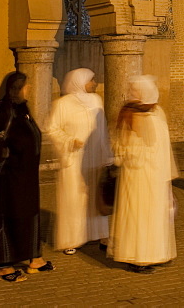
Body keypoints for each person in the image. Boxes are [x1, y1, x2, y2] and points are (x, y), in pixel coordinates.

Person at [0, 71, 52, 282]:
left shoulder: (21, 109)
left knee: (28, 214)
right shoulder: (2, 110)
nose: (27, 89)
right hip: (8, 178)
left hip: (25, 176)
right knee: (7, 217)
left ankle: (34, 259)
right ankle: (4, 267)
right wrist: (8, 155)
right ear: (13, 89)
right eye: (24, 86)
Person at [109, 75, 177, 274]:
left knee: (154, 216)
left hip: (154, 176)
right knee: (138, 216)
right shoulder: (132, 114)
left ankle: (153, 255)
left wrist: (165, 176)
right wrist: (134, 153)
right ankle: (138, 258)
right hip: (138, 176)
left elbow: (163, 146)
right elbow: (123, 146)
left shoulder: (156, 113)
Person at [45, 68, 112, 255]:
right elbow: (52, 129)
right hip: (74, 159)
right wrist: (69, 141)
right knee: (74, 198)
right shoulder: (63, 104)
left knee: (95, 197)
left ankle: (98, 233)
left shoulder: (96, 101)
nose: (94, 83)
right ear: (79, 82)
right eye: (91, 80)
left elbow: (102, 130)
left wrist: (106, 155)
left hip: (95, 159)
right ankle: (72, 238)